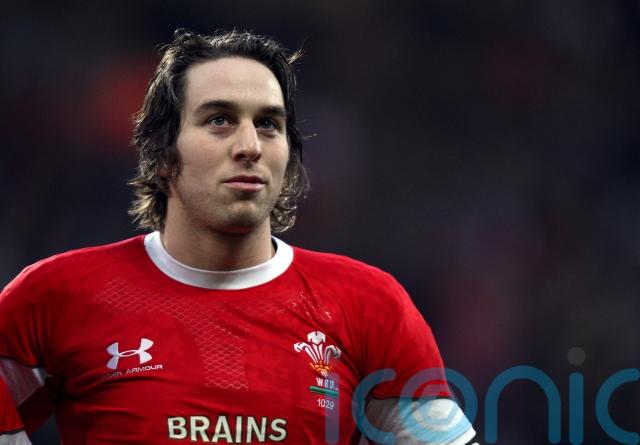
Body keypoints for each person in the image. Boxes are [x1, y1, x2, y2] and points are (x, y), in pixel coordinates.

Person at [0, 29, 478, 444]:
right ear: (163, 153)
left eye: (268, 124)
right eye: (219, 120)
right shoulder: (57, 296)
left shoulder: (368, 305)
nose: (249, 146)